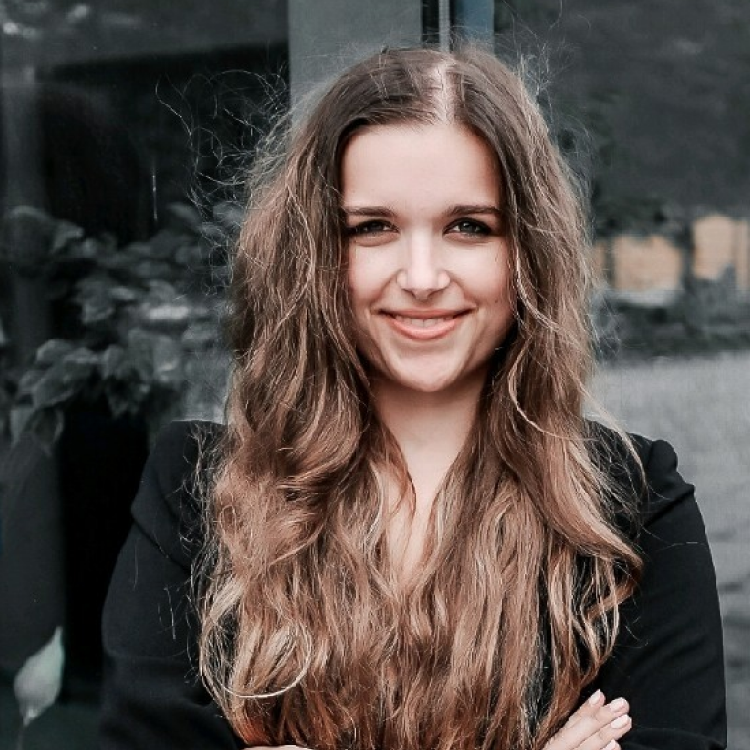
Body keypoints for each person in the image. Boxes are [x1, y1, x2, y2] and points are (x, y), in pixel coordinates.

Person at [98, 45, 726, 750]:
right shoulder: (196, 493)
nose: (422, 277)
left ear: (527, 251)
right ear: (315, 253)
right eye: (373, 227)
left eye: (468, 226)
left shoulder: (635, 509)